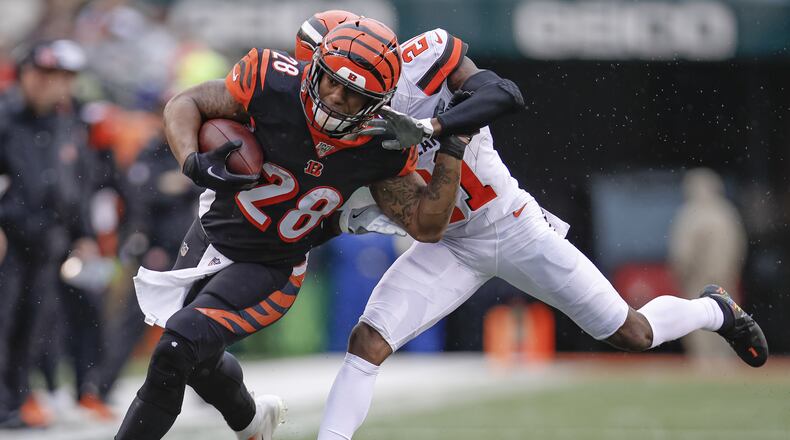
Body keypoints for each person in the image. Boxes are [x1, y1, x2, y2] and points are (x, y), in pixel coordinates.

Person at [294, 11, 770, 440]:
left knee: (632, 333)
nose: (332, 98)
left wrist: (438, 129)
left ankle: (714, 310)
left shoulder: (427, 57)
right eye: (325, 80)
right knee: (368, 341)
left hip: (510, 223)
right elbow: (402, 221)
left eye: (347, 86)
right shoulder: (340, 134)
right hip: (447, 243)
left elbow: (504, 93)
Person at [115, 18, 471, 440]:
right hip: (211, 234)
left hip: (272, 267)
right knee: (196, 360)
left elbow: (427, 226)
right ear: (315, 67)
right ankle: (252, 423)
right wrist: (192, 159)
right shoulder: (271, 83)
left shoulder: (381, 147)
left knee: (176, 347)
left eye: (354, 94)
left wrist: (453, 144)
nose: (335, 98)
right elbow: (184, 103)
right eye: (330, 82)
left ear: (378, 102)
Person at [0, 39, 96, 429]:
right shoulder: (5, 116)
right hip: (7, 238)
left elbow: (77, 182)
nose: (54, 84)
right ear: (26, 73)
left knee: (32, 325)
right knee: (2, 323)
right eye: (46, 74)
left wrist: (83, 234)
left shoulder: (66, 122)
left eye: (63, 77)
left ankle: (15, 404)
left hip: (48, 240)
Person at [669, 168, 748, 361]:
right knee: (728, 325)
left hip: (699, 281)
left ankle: (704, 370)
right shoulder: (727, 213)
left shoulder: (691, 214)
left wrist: (681, 274)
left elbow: (683, 253)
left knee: (700, 329)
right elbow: (740, 246)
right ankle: (726, 369)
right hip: (725, 280)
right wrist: (730, 271)